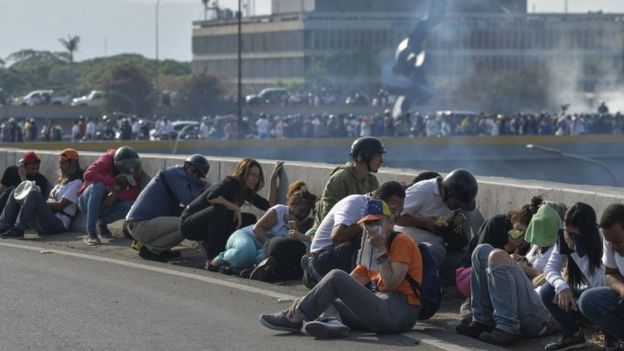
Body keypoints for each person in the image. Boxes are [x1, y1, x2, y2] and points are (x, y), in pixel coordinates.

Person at [259, 199, 423, 338]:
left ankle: (294, 317)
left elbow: (391, 284)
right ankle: (332, 322)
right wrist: (309, 299)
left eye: (377, 222)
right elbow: (346, 285)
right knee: (326, 295)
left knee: (336, 276)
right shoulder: (370, 248)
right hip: (380, 304)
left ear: (390, 222)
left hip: (400, 310)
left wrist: (380, 251)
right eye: (368, 223)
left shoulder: (401, 242)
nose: (371, 228)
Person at [456, 203, 561, 347]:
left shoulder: (562, 249)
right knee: (482, 250)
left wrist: (525, 269)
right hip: (523, 297)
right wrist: (519, 260)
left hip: (541, 315)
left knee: (497, 255)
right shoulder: (537, 244)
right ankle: (482, 320)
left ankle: (507, 327)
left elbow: (557, 282)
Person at [302, 181, 405, 289]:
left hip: (340, 264)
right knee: (367, 237)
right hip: (320, 261)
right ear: (379, 201)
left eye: (399, 211)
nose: (395, 216)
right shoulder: (355, 202)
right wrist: (365, 225)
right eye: (392, 210)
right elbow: (336, 236)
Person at [179, 159, 282, 261]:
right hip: (189, 224)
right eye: (251, 174)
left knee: (250, 219)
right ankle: (212, 257)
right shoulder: (231, 182)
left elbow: (269, 207)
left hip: (209, 226)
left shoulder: (246, 190)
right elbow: (211, 197)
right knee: (220, 209)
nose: (255, 179)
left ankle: (229, 253)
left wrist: (273, 179)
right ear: (243, 173)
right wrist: (235, 208)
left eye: (257, 176)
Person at [539, 202, 605, 351]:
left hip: (602, 301)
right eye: (568, 232)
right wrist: (561, 286)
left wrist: (576, 251)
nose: (570, 237)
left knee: (589, 297)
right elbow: (549, 269)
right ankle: (573, 335)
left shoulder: (604, 240)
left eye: (574, 234)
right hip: (583, 300)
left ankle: (611, 340)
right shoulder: (565, 236)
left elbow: (601, 285)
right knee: (547, 291)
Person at [209, 188, 317, 277]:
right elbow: (257, 229)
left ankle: (235, 269)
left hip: (262, 248)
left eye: (307, 212)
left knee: (266, 260)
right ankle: (220, 258)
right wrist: (269, 245)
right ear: (293, 205)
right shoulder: (279, 211)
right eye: (302, 210)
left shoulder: (302, 224)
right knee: (246, 253)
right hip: (248, 236)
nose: (304, 214)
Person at [125, 154, 209, 262]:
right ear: (187, 165)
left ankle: (159, 249)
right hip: (139, 225)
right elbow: (189, 201)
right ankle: (153, 250)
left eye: (198, 175)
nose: (194, 175)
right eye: (194, 171)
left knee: (189, 219)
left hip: (142, 224)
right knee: (188, 224)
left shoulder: (179, 176)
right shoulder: (176, 173)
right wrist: (200, 183)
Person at [395, 169, 478, 265]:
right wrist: (423, 222)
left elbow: (459, 207)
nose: (457, 207)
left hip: (440, 240)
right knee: (437, 251)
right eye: (457, 204)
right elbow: (396, 218)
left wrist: (459, 215)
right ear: (448, 192)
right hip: (413, 241)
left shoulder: (451, 199)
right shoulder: (422, 191)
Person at [0, 149, 83, 238]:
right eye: (60, 163)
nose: (60, 166)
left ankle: (19, 229)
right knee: (16, 191)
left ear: (72, 166)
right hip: (44, 220)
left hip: (58, 223)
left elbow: (60, 205)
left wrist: (43, 202)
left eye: (63, 163)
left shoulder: (76, 183)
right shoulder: (60, 182)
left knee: (33, 193)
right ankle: (4, 226)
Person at [77, 146, 149, 246]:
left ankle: (102, 224)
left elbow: (134, 193)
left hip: (107, 204)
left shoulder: (134, 169)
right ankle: (91, 232)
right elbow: (88, 174)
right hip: (87, 201)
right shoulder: (107, 160)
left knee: (130, 206)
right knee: (99, 186)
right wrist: (114, 182)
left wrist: (116, 195)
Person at [312, 137, 384, 231]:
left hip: (356, 232)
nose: (382, 161)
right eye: (378, 156)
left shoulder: (372, 181)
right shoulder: (340, 179)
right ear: (365, 156)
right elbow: (328, 218)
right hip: (333, 235)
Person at [579, 204, 624, 351]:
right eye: (609, 242)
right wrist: (622, 289)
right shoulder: (611, 238)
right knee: (589, 300)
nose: (613, 247)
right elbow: (610, 273)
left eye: (618, 241)